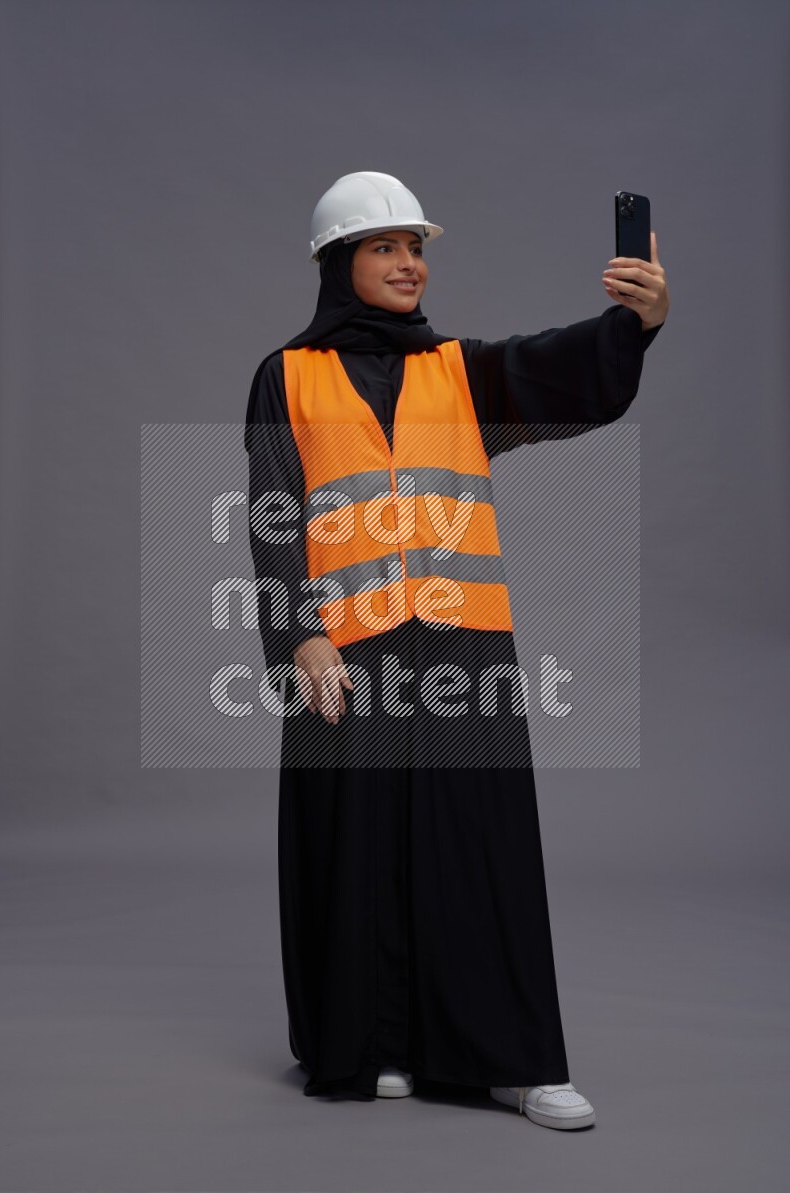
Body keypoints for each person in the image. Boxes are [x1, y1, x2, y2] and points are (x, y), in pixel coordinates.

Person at [244, 171, 669, 1130]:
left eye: (416, 247)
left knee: (479, 847)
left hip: (458, 647)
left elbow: (565, 371)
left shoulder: (459, 371)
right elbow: (273, 514)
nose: (409, 264)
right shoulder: (287, 374)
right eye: (384, 247)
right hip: (344, 650)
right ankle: (372, 1041)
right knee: (352, 847)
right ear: (337, 261)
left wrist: (635, 323)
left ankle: (515, 1062)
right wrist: (297, 635)